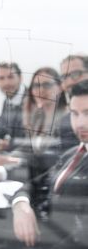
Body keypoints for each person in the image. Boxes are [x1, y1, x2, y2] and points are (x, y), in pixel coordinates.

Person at [0, 67, 67, 249]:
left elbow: (42, 163)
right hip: (35, 191)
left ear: (60, 87)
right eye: (36, 86)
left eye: (47, 85)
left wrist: (10, 166)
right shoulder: (40, 116)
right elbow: (30, 152)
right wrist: (3, 169)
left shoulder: (67, 121)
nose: (40, 91)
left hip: (49, 204)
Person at [12, 79, 88, 248]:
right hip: (45, 230)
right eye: (75, 113)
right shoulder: (73, 153)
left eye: (87, 113)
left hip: (62, 240)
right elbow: (33, 184)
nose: (80, 123)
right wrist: (21, 205)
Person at [0, 62, 27, 153]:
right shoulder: (7, 102)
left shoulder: (35, 99)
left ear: (20, 78)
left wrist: (9, 144)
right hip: (13, 157)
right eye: (1, 78)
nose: (6, 83)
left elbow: (38, 141)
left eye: (10, 77)